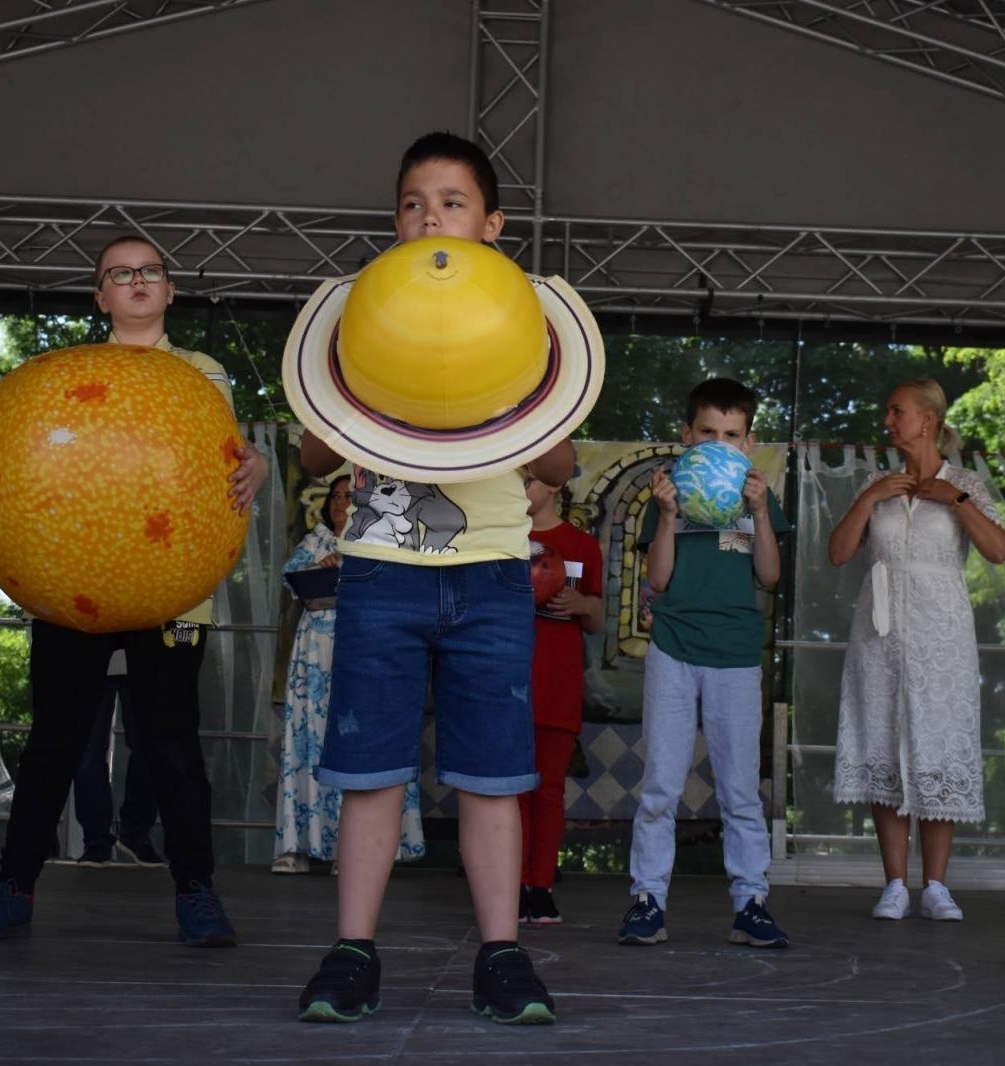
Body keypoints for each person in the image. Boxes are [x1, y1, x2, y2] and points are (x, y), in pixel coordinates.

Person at [293, 132, 580, 1026]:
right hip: (381, 572)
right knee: (371, 769)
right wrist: (366, 387)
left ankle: (502, 956)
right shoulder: (363, 315)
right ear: (395, 223)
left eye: (453, 203)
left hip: (492, 572)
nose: (432, 217)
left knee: (495, 775)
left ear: (491, 225)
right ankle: (352, 954)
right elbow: (310, 449)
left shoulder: (523, 317)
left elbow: (563, 460)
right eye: (415, 204)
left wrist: (511, 388)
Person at [0, 233, 269, 946]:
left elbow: (223, 459)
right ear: (102, 296)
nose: (138, 282)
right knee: (54, 741)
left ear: (169, 289)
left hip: (175, 595)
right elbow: (17, 459)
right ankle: (13, 886)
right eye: (120, 274)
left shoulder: (200, 371)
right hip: (69, 586)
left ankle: (196, 892)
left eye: (150, 271)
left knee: (172, 741)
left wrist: (260, 465)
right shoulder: (52, 378)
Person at [619, 377, 793, 949]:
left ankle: (751, 903)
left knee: (741, 791)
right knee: (660, 788)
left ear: (747, 442)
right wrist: (667, 517)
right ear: (686, 435)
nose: (720, 441)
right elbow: (659, 580)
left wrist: (761, 514)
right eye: (708, 432)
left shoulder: (756, 499)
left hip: (737, 656)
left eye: (732, 434)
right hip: (673, 648)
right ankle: (648, 899)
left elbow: (769, 576)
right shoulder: (669, 495)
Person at [826, 379, 1005, 922]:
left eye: (896, 410)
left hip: (942, 636)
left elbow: (997, 550)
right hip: (878, 635)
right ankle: (893, 885)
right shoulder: (876, 483)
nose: (888, 420)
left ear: (927, 419)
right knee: (882, 743)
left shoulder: (965, 482)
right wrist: (868, 498)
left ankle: (936, 885)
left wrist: (954, 499)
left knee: (937, 743)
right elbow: (838, 554)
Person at [274, 473, 425, 874]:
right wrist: (321, 568)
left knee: (363, 740)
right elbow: (294, 584)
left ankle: (359, 850)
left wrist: (353, 569)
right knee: (310, 742)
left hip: (367, 646)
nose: (341, 503)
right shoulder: (315, 541)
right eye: (336, 496)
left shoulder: (383, 539)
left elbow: (404, 590)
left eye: (350, 496)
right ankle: (298, 845)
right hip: (316, 653)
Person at [518, 475, 603, 924]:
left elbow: (597, 616)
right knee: (508, 792)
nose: (521, 485)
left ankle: (540, 885)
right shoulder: (497, 538)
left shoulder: (582, 545)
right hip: (505, 684)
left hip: (557, 684)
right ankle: (509, 884)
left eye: (529, 478)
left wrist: (580, 604)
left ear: (554, 486)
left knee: (548, 791)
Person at [69, 651, 163, 867]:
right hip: (103, 646)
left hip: (124, 646)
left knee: (147, 747)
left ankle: (104, 841)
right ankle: (106, 839)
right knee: (91, 750)